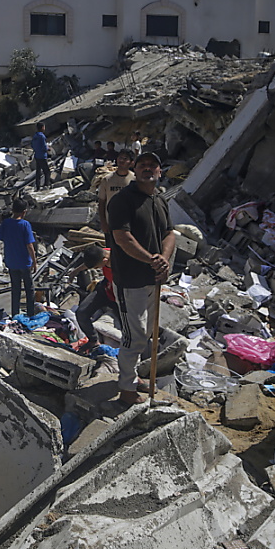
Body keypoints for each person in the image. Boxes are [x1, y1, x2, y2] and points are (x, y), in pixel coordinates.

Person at [107, 151, 175, 406]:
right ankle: (126, 389)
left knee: (146, 334)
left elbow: (170, 233)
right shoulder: (122, 200)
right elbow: (122, 238)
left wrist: (163, 259)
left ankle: (133, 377)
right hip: (130, 280)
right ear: (135, 170)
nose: (148, 168)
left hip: (153, 279)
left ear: (160, 171)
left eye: (153, 165)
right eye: (143, 164)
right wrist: (151, 260)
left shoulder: (159, 199)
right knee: (132, 336)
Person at [0, 199, 37, 318]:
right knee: (29, 289)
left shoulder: (6, 223)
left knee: (15, 289)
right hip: (25, 263)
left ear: (12, 210)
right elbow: (29, 245)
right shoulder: (25, 225)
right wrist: (34, 261)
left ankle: (15, 314)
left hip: (11, 262)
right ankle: (30, 314)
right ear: (24, 212)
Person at [71, 244, 118, 351]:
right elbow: (90, 263)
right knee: (82, 313)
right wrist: (75, 271)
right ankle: (93, 340)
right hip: (105, 289)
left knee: (128, 325)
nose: (97, 269)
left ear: (105, 260)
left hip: (121, 296)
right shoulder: (101, 253)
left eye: (97, 267)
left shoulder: (119, 261)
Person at [98, 149, 136, 245]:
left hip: (130, 224)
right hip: (111, 223)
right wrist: (103, 222)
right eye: (120, 157)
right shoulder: (107, 179)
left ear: (131, 163)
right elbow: (102, 202)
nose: (122, 160)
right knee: (111, 249)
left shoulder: (135, 180)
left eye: (125, 158)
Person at [31, 122, 50, 189]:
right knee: (47, 171)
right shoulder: (42, 136)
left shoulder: (35, 136)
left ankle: (38, 185)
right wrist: (48, 148)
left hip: (37, 156)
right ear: (42, 128)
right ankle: (46, 185)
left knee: (38, 171)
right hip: (42, 156)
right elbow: (44, 147)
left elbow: (32, 145)